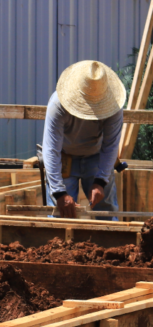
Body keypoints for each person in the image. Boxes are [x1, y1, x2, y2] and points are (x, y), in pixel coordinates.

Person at [42, 60, 125, 218]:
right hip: (64, 157)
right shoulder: (57, 105)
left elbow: (111, 146)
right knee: (61, 214)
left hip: (96, 156)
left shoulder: (114, 107)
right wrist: (59, 193)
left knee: (105, 211)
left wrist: (101, 181)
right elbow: (51, 149)